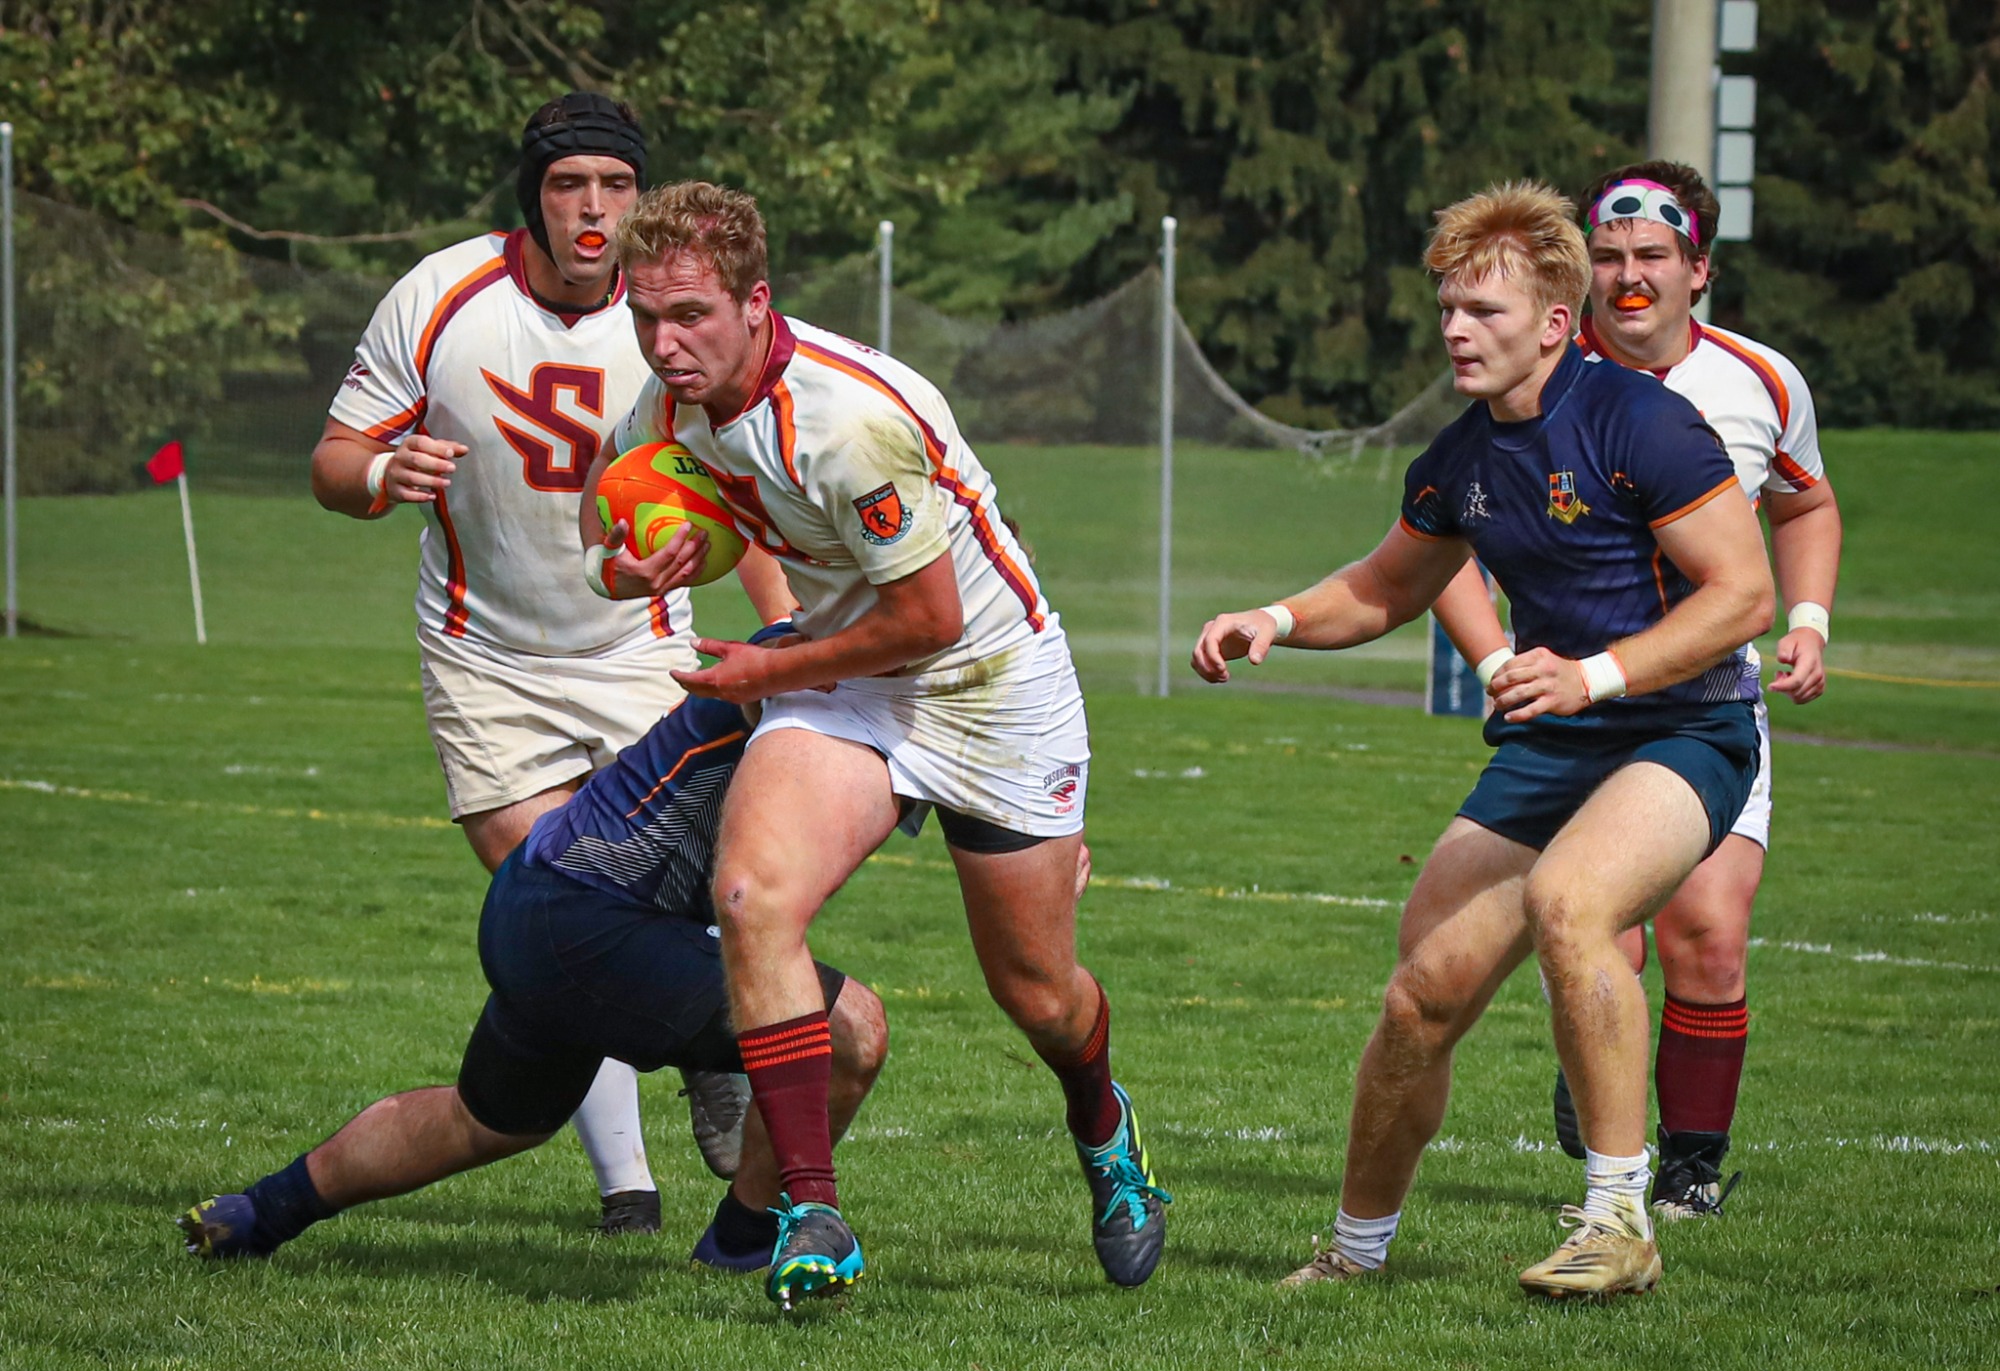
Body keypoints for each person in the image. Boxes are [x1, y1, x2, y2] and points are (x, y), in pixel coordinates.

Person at [583, 180, 1169, 1308]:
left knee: (1037, 994)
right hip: (844, 676)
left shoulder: (848, 420)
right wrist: (630, 566)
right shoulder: (663, 404)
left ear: (756, 304)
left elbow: (931, 622)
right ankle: (811, 1209)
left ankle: (1104, 1130)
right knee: (752, 896)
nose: (665, 342)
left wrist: (763, 667)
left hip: (987, 682)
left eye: (691, 314)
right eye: (645, 315)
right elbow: (600, 529)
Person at [1192, 181, 1774, 1297]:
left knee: (1572, 901)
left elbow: (1741, 594)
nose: (1456, 330)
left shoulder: (1641, 420)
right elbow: (1380, 588)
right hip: (1554, 742)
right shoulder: (1461, 455)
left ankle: (1618, 1221)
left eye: (1485, 312)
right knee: (1421, 994)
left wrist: (1592, 672)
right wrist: (1270, 618)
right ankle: (1353, 1253)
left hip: (1684, 725)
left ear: (1554, 323)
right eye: (1449, 308)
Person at [308, 94, 792, 1233]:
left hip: (640, 647)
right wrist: (383, 478)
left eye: (615, 186)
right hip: (488, 662)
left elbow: (751, 500)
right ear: (532, 192)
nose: (593, 208)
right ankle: (630, 1178)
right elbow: (334, 460)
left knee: (641, 894)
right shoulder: (439, 296)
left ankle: (703, 1072)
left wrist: (782, 645)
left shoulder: (677, 313)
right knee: (565, 907)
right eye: (570, 183)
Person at [178, 635, 888, 1281]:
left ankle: (256, 1213)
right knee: (851, 1031)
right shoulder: (815, 657)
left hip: (544, 901)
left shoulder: (868, 669)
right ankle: (737, 1245)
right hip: (592, 917)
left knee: (484, 1121)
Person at [1430, 162, 1843, 1219]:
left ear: (1695, 269)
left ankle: (1687, 1173)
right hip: (1571, 718)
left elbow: (1801, 508)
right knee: (1591, 929)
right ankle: (1598, 1112)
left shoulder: (1762, 381)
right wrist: (1496, 666)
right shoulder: (1545, 375)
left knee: (1705, 926)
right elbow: (1435, 544)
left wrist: (1807, 619)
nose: (1628, 276)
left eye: (1650, 256)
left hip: (1701, 701)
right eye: (1608, 256)